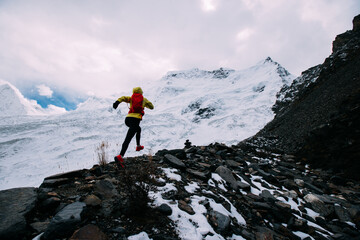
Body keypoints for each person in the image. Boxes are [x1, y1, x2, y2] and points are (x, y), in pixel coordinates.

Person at [112, 87, 154, 168]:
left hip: (128, 119)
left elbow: (123, 98)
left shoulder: (131, 98)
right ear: (141, 92)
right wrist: (145, 105)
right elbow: (152, 107)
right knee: (128, 138)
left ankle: (138, 146)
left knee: (138, 129)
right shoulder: (143, 99)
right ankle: (120, 156)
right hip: (135, 120)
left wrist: (117, 102)